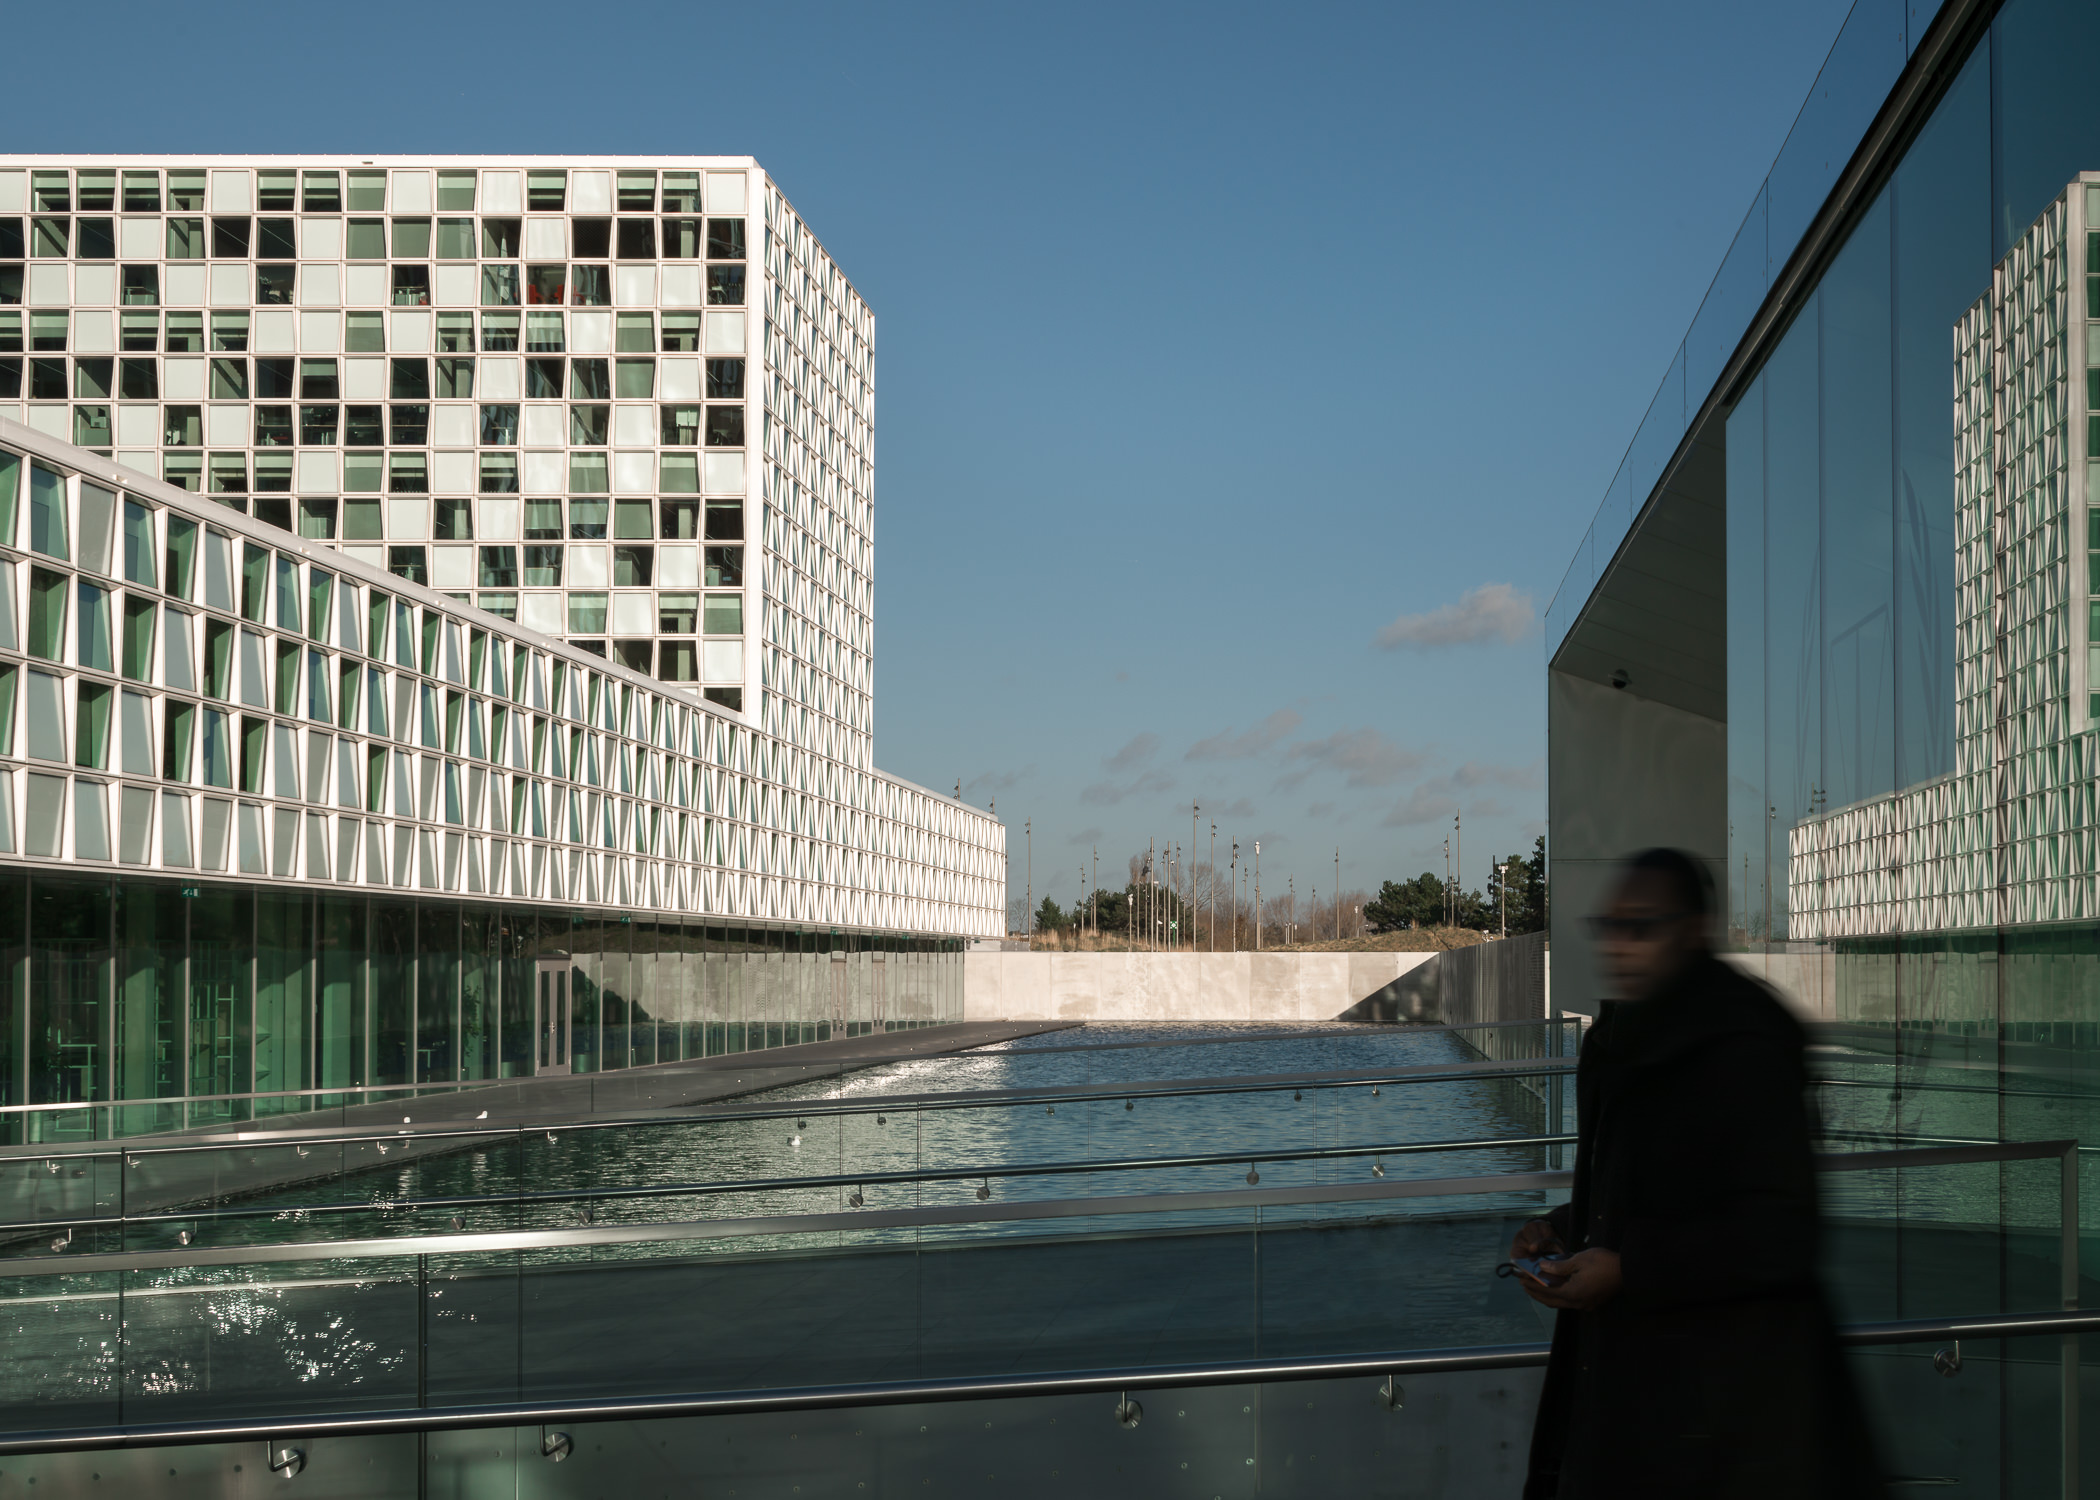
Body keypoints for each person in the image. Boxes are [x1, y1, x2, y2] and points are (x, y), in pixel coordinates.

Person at [1511, 847, 1882, 1499]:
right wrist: (1562, 1227)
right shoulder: (1622, 1033)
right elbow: (1649, 1187)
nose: (1620, 944)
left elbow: (1781, 1232)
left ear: (1691, 930)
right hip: (1640, 1397)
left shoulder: (1744, 1039)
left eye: (1642, 926)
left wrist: (1628, 1268)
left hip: (1728, 1411)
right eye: (1610, 926)